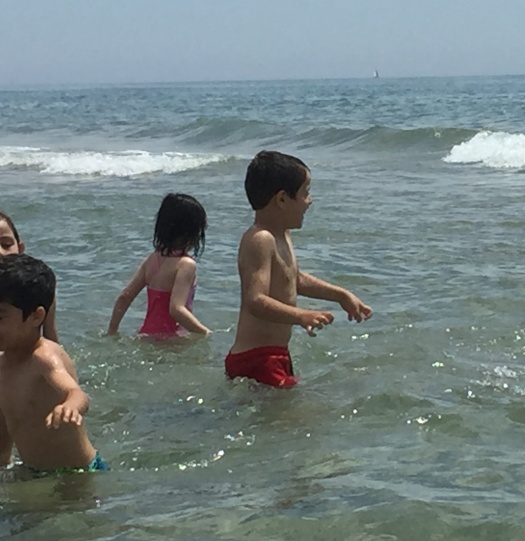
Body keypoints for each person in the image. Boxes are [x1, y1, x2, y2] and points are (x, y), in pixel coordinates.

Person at [225, 150, 372, 388]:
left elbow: (294, 279)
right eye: (306, 193)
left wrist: (340, 295)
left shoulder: (282, 234)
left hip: (275, 355)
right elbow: (255, 300)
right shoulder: (260, 239)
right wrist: (301, 315)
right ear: (282, 199)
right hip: (256, 359)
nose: (309, 201)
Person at [0, 254, 108, 472]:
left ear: (36, 317)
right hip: (32, 471)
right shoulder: (2, 365)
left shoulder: (43, 358)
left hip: (78, 473)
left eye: (0, 317)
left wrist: (69, 407)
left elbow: (77, 394)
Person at [107, 193, 211, 337]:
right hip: (173, 340)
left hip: (146, 335)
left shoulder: (152, 260)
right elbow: (176, 309)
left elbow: (124, 297)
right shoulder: (186, 265)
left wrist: (112, 331)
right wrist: (205, 332)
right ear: (191, 232)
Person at [0, 211, 59, 343]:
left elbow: (51, 339)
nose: (0, 252)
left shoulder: (35, 286)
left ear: (20, 248)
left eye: (6, 245)